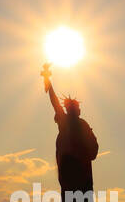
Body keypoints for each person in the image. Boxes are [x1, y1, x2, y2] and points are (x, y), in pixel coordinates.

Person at [41, 62, 98, 193]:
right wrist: (48, 83)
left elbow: (93, 146)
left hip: (80, 173)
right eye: (77, 107)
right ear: (72, 109)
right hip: (73, 172)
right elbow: (54, 101)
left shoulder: (79, 123)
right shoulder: (66, 121)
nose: (79, 109)